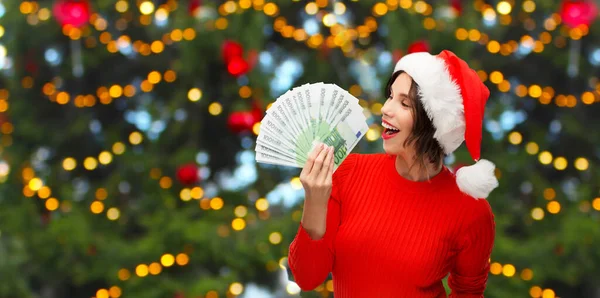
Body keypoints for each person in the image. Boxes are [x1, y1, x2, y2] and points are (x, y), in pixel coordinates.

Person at [287, 50, 499, 298]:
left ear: (435, 122)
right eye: (390, 96)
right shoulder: (349, 172)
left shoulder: (471, 212)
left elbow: (468, 294)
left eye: (404, 103)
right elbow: (307, 277)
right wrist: (315, 198)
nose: (386, 109)